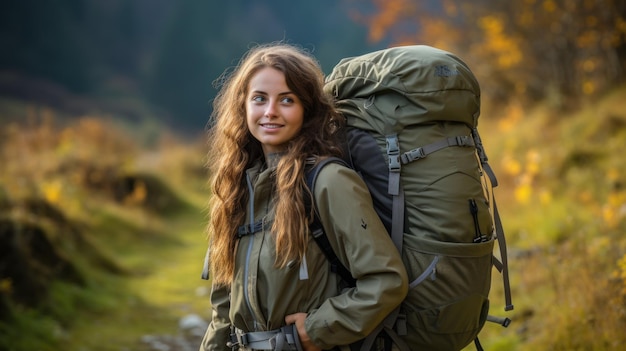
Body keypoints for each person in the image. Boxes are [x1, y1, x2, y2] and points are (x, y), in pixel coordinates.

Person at [199, 42, 408, 351]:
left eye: (287, 100)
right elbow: (223, 307)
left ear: (307, 109)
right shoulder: (237, 186)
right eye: (259, 98)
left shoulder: (328, 182)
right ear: (243, 105)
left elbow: (386, 280)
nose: (270, 111)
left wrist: (315, 330)